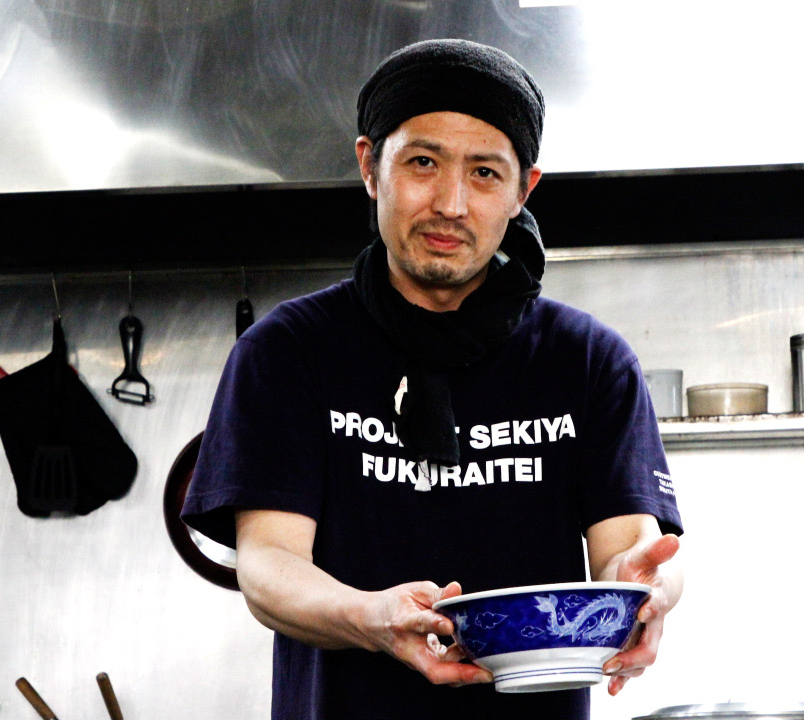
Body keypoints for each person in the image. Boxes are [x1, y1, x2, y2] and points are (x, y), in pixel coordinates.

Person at [182, 38, 683, 720]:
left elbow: (631, 551)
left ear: (523, 191)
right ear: (370, 167)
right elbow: (267, 565)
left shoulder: (589, 361)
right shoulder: (288, 351)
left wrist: (649, 588)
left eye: (485, 173)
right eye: (423, 162)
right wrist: (371, 617)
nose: (451, 203)